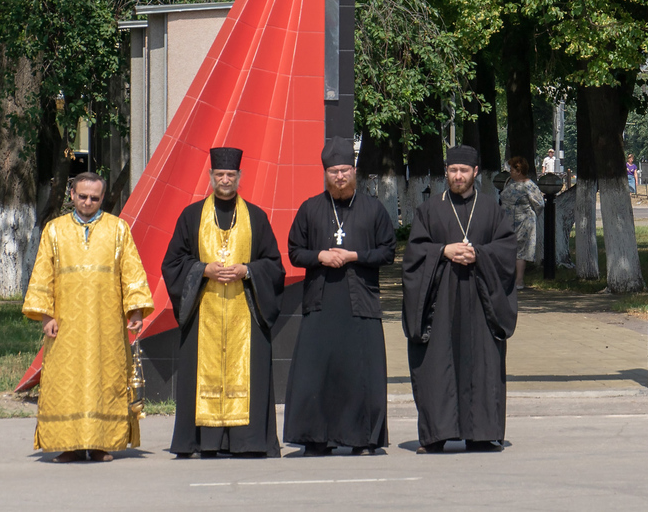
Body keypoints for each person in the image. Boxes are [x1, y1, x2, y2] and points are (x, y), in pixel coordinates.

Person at [21, 172, 153, 463]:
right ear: (72, 195)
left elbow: (131, 274)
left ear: (102, 198)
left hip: (107, 324)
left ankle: (102, 443)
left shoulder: (118, 229)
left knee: (105, 379)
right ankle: (68, 444)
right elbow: (42, 276)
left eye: (94, 197)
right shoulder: (54, 230)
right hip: (65, 323)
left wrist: (135, 311)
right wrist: (46, 316)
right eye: (82, 196)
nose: (88, 202)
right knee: (66, 381)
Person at [163, 147, 286, 458]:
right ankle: (201, 442)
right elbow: (172, 262)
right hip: (204, 311)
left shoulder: (256, 217)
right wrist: (203, 269)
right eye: (220, 175)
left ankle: (247, 442)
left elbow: (273, 264)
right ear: (211, 177)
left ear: (239, 177)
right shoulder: (191, 216)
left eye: (231, 175)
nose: (226, 180)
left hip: (246, 312)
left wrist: (247, 270)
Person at [283, 137, 398, 456]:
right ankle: (316, 439)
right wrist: (320, 256)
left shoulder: (373, 209)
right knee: (317, 374)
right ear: (325, 174)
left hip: (360, 302)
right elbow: (294, 251)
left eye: (345, 170)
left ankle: (362, 439)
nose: (340, 177)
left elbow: (388, 251)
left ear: (354, 171)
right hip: (320, 303)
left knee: (359, 373)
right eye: (334, 172)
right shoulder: (310, 208)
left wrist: (354, 256)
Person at [404, 144, 519, 452]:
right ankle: (436, 435)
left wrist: (478, 254)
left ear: (475, 173)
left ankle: (481, 434)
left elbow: (507, 250)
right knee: (437, 364)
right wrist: (443, 250)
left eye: (464, 171)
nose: (458, 176)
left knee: (482, 363)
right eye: (453, 170)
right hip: (440, 301)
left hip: (481, 301)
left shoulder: (491, 209)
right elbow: (414, 252)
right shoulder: (430, 209)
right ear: (446, 172)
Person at [500, 156, 546, 286]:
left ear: (519, 171)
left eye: (512, 170)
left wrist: (527, 214)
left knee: (520, 251)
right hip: (506, 222)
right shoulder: (510, 182)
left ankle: (519, 280)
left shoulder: (529, 186)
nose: (510, 172)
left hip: (523, 223)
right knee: (507, 249)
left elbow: (539, 204)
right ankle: (507, 279)